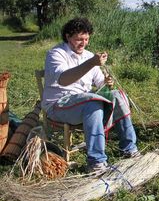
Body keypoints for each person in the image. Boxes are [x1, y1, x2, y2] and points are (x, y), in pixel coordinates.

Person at [41, 17, 139, 173]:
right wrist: (91, 63)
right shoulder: (56, 54)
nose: (83, 43)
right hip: (59, 105)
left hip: (82, 103)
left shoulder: (88, 55)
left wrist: (107, 83)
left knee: (118, 95)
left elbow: (101, 84)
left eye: (86, 39)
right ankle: (96, 161)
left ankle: (129, 149)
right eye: (79, 39)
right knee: (92, 103)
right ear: (68, 37)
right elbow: (64, 80)